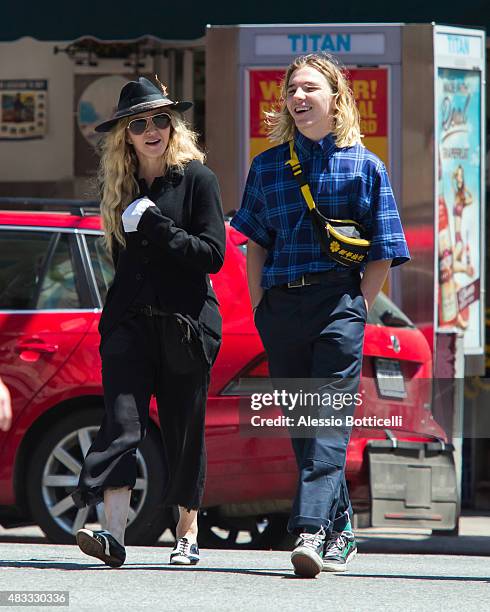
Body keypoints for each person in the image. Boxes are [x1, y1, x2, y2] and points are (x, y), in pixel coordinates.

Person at [231, 53, 410, 578]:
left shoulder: (365, 165)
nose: (299, 98)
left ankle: (309, 527)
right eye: (291, 91)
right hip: (282, 306)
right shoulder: (267, 166)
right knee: (305, 424)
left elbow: (383, 249)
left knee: (327, 417)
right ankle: (342, 529)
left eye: (310, 88)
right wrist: (261, 307)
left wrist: (357, 303)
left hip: (338, 304)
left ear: (336, 96)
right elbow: (255, 242)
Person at [71, 76, 226, 568]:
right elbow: (125, 266)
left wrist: (157, 225)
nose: (153, 129)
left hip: (185, 325)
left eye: (161, 119)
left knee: (184, 431)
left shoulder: (198, 179)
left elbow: (212, 255)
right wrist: (113, 323)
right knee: (122, 423)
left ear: (173, 126)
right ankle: (113, 534)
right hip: (131, 326)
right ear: (127, 136)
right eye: (140, 123)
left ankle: (187, 533)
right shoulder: (120, 186)